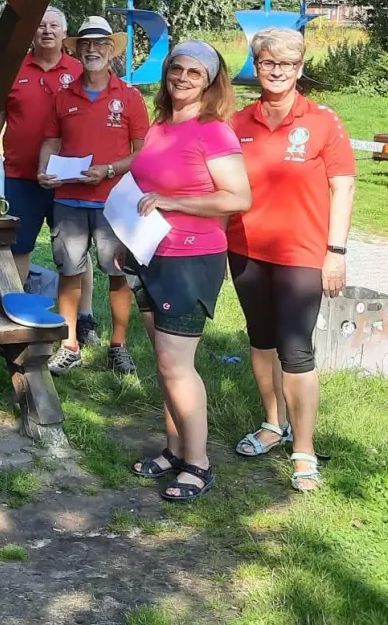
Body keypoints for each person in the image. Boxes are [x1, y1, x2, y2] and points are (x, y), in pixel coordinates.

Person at [228, 28, 355, 492]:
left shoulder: (323, 121)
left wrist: (335, 252)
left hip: (303, 254)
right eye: (267, 63)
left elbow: (343, 185)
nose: (276, 71)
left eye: (286, 64)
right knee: (260, 340)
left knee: (295, 348)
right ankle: (272, 424)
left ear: (300, 69)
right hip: (244, 250)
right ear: (256, 67)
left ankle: (303, 449)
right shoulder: (238, 122)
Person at [125, 41, 250, 502]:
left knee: (178, 366)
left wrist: (174, 203)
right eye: (176, 68)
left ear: (211, 82)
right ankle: (175, 449)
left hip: (190, 257)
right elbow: (142, 187)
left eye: (194, 73)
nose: (181, 78)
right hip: (148, 252)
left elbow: (238, 197)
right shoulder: (161, 125)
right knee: (164, 362)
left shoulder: (213, 131)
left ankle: (199, 464)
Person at [38, 17, 149, 376]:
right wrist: (45, 170)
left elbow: (142, 152)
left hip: (113, 202)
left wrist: (110, 170)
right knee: (69, 272)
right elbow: (52, 140)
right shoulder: (63, 95)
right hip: (68, 200)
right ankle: (69, 344)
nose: (92, 50)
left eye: (100, 44)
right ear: (77, 50)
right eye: (85, 44)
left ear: (112, 51)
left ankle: (118, 346)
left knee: (118, 275)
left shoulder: (130, 97)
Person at [4, 8, 99, 343]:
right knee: (18, 248)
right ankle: (16, 316)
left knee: (76, 253)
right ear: (31, 32)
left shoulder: (79, 71)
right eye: (40, 25)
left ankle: (84, 319)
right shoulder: (13, 70)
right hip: (20, 176)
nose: (46, 31)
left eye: (54, 25)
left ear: (64, 33)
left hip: (71, 180)